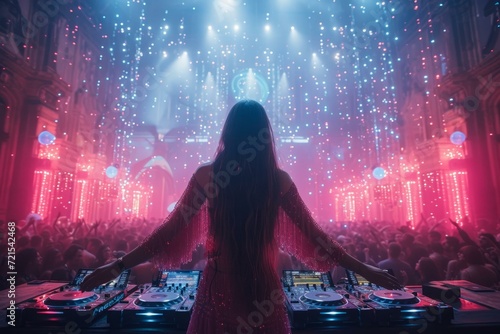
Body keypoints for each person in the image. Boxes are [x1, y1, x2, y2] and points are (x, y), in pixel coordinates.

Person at [81, 100, 400, 334]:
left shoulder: (207, 176)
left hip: (217, 287)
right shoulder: (278, 180)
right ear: (265, 134)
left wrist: (117, 265)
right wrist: (365, 269)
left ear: (228, 132)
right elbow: (319, 238)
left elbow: (167, 234)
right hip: (264, 292)